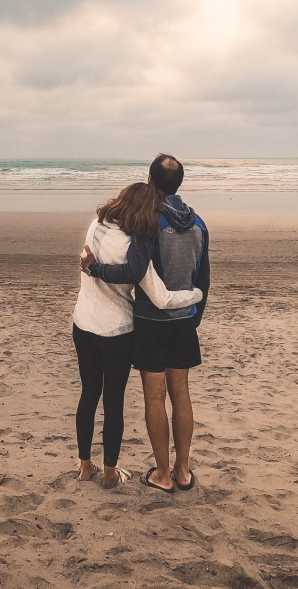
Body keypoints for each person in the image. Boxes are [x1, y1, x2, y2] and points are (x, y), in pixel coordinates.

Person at [80, 155, 210, 493]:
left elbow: (136, 270)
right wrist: (195, 316)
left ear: (150, 181)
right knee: (181, 394)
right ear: (179, 183)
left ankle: (163, 474)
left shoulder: (147, 222)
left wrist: (95, 269)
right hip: (184, 321)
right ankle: (183, 471)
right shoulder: (199, 224)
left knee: (155, 397)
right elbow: (205, 278)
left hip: (152, 322)